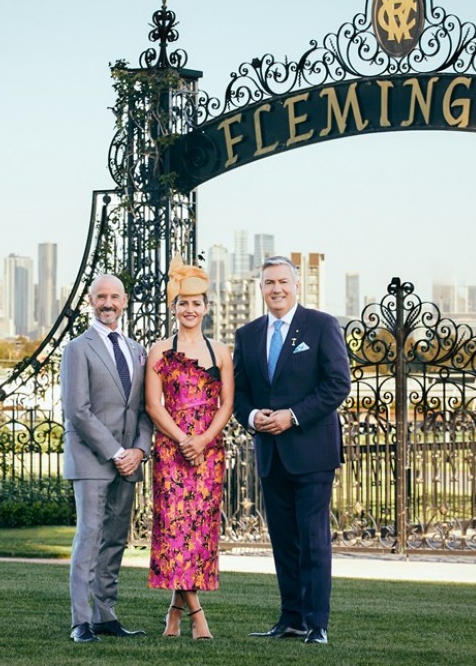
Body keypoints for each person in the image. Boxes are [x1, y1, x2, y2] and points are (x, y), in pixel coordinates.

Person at [232, 255, 350, 645]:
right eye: (269, 283)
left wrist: (293, 416)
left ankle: (317, 624)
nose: (276, 289)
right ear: (261, 288)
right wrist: (253, 417)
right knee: (283, 540)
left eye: (283, 282)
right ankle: (291, 619)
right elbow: (240, 395)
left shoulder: (321, 325)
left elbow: (337, 385)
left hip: (313, 452)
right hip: (270, 454)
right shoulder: (247, 335)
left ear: (297, 285)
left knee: (314, 540)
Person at [60, 273, 153, 643]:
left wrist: (139, 451)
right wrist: (116, 453)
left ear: (125, 301)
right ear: (91, 301)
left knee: (115, 540)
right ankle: (81, 621)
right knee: (90, 536)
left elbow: (146, 408)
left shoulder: (136, 350)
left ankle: (105, 616)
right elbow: (77, 411)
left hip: (129, 461)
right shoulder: (77, 349)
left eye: (114, 296)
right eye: (101, 296)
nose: (108, 303)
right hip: (92, 460)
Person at [144, 257, 234, 640]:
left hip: (208, 451)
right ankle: (197, 614)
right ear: (174, 307)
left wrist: (203, 440)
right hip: (171, 451)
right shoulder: (159, 350)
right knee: (175, 530)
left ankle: (174, 613)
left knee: (199, 533)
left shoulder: (221, 352)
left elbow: (227, 404)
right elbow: (153, 405)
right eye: (183, 302)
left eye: (197, 303)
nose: (190, 309)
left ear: (207, 307)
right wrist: (183, 439)